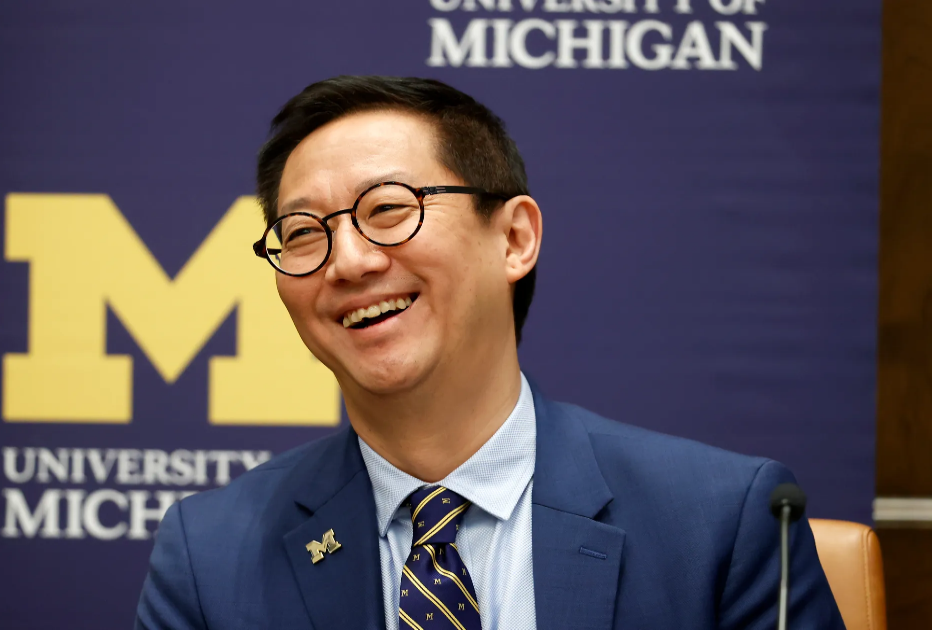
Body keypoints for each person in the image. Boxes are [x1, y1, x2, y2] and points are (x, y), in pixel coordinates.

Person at [135, 76, 845, 630]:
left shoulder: (717, 525)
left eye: (387, 209)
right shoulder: (211, 554)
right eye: (301, 233)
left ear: (514, 239)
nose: (347, 261)